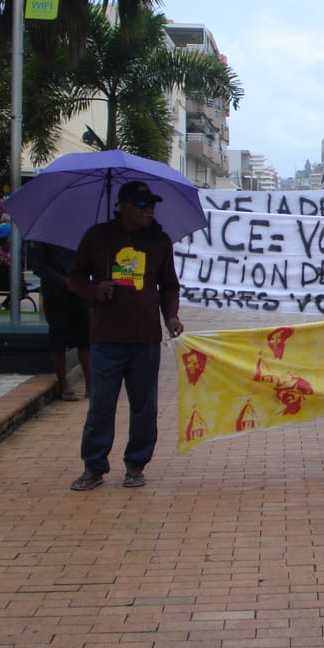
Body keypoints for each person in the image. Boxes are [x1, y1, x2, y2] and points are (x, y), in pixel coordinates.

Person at [66, 181, 183, 492]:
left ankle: (136, 465)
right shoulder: (97, 238)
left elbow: (169, 285)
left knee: (144, 406)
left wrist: (170, 316)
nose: (148, 210)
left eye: (151, 205)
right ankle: (94, 467)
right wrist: (95, 291)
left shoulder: (159, 241)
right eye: (141, 204)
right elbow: (74, 278)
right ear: (123, 206)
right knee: (101, 405)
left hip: (145, 339)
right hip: (106, 337)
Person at [29, 241, 92, 402]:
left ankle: (91, 385)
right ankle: (64, 384)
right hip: (56, 295)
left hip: (80, 293)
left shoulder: (81, 235)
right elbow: (37, 266)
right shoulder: (43, 239)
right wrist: (63, 282)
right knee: (59, 340)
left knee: (85, 339)